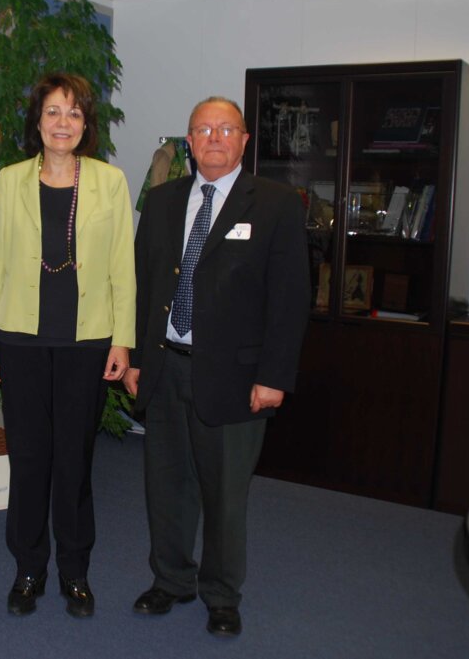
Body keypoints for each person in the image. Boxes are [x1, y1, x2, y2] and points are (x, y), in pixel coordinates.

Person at [124, 97, 309, 638]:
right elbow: (142, 287)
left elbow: (290, 298)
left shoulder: (274, 204)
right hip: (164, 369)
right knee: (166, 485)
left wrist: (274, 376)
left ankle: (222, 595)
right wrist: (136, 359)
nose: (213, 138)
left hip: (236, 377)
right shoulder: (160, 202)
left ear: (245, 140)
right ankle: (171, 580)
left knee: (225, 494)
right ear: (188, 142)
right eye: (202, 129)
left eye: (225, 128)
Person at [0, 73, 135, 618]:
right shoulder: (12, 178)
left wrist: (124, 341)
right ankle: (27, 569)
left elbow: (122, 269)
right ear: (37, 122)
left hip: (86, 341)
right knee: (29, 459)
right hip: (20, 339)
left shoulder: (110, 182)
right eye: (52, 112)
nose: (62, 123)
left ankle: (75, 571)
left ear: (85, 124)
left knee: (74, 460)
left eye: (73, 113)